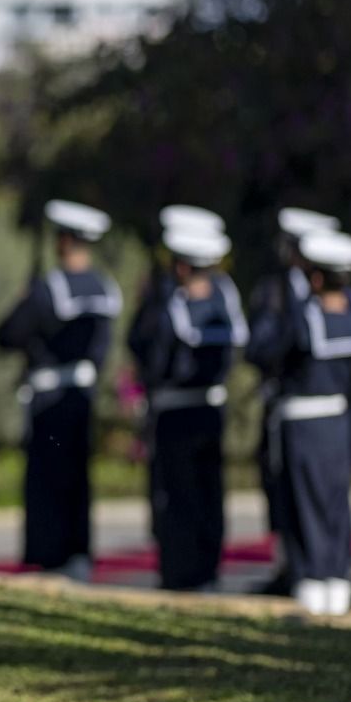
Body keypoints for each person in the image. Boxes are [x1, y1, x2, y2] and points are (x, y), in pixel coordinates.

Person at [246, 227, 351, 616]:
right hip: (339, 422)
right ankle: (335, 581)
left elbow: (264, 354)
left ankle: (312, 584)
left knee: (303, 506)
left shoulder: (305, 316)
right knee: (335, 503)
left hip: (303, 425)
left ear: (316, 278)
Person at [0, 200, 120, 581]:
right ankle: (78, 552)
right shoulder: (105, 288)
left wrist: (23, 301)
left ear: (63, 241)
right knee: (78, 478)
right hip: (83, 395)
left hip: (49, 398)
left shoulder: (49, 289)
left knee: (48, 480)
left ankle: (50, 557)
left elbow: (6, 336)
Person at [128, 216, 247, 591]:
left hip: (175, 411)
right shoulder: (224, 295)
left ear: (180, 266)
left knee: (178, 497)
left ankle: (183, 574)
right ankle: (207, 570)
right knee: (208, 492)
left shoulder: (169, 303)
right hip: (211, 408)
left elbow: (146, 351)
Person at [248, 207, 341, 596]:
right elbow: (259, 347)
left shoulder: (335, 299)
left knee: (325, 496)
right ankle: (293, 568)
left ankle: (321, 575)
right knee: (286, 494)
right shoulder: (277, 291)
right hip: (287, 408)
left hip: (321, 413)